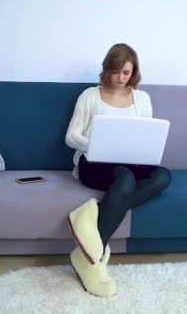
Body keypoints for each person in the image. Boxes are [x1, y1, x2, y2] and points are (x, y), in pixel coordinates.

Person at [65, 43, 172, 297]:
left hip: (130, 162)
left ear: (133, 72)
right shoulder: (90, 95)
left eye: (126, 73)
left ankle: (89, 230)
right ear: (107, 70)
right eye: (116, 72)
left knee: (163, 175)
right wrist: (97, 144)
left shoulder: (142, 99)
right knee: (125, 180)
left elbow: (146, 136)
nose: (121, 78)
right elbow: (71, 136)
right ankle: (94, 259)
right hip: (94, 163)